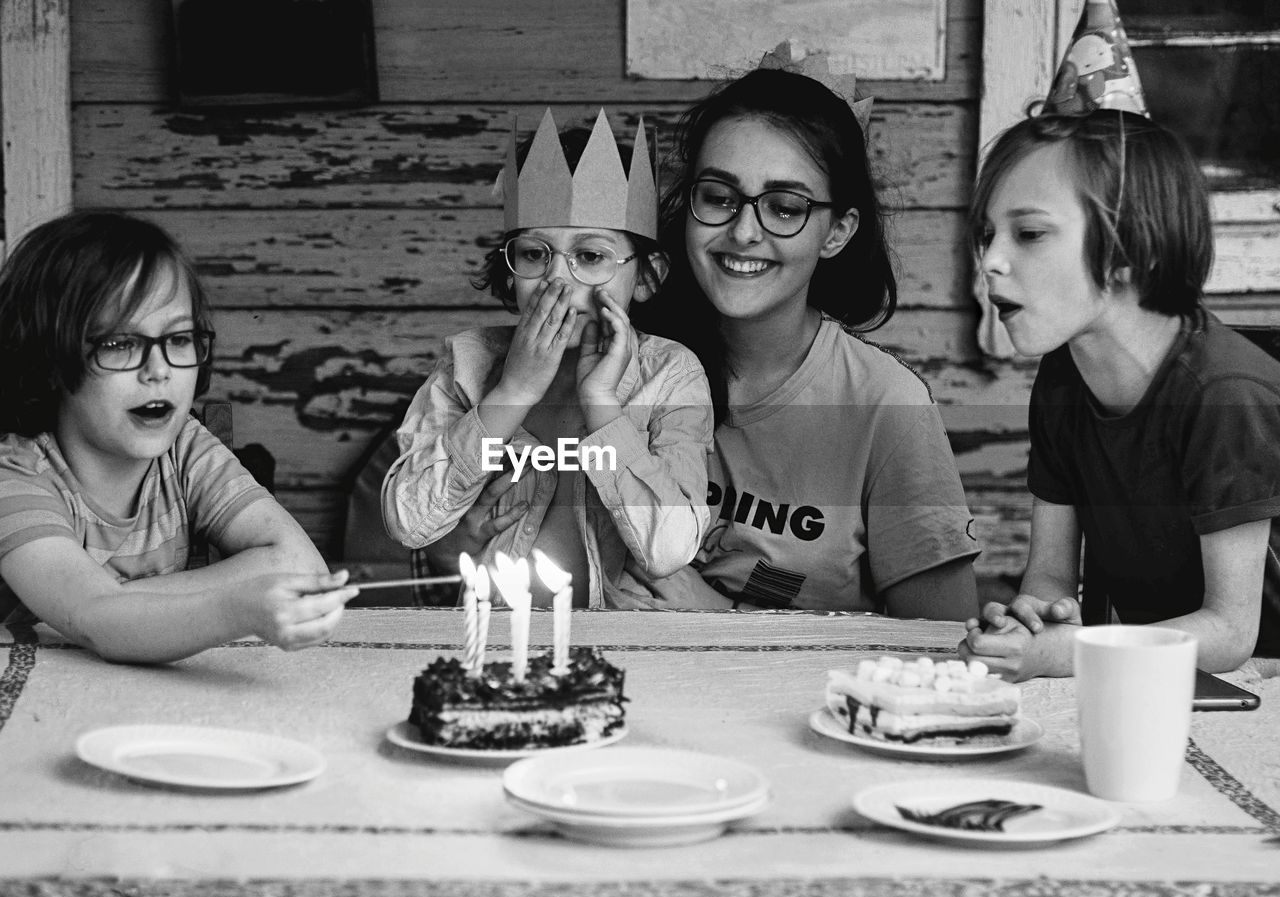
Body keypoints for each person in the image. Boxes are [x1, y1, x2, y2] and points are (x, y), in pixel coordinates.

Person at [629, 67, 981, 617]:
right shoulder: (628, 367)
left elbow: (943, 639)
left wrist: (721, 620)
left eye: (785, 208)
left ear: (837, 231)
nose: (744, 231)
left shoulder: (887, 405)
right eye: (719, 197)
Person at [959, 109, 1280, 679]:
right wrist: (1032, 625)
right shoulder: (1063, 377)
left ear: (1133, 246)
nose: (990, 261)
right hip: (1149, 679)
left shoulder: (1225, 396)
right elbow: (1052, 578)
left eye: (1029, 233)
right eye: (988, 234)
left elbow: (1232, 633)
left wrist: (1072, 653)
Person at [381, 110, 713, 610]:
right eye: (536, 255)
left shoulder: (671, 375)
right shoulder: (467, 365)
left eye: (591, 256)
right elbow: (408, 521)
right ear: (511, 272)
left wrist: (601, 402)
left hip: (629, 645)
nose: (558, 282)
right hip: (498, 638)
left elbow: (668, 550)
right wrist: (512, 392)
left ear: (646, 277)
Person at [0, 211, 356, 664]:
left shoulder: (185, 448)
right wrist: (234, 606)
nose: (159, 370)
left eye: (179, 338)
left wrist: (118, 604)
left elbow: (301, 566)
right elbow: (94, 617)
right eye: (118, 343)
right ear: (47, 358)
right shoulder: (14, 475)